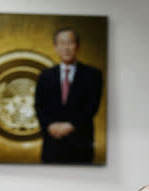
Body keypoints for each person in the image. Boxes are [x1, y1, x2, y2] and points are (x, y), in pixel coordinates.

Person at [35, 27, 102, 163]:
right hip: (52, 145)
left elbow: (92, 107)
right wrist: (50, 126)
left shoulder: (93, 75)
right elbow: (39, 106)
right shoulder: (45, 76)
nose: (66, 47)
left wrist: (71, 125)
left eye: (70, 42)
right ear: (56, 47)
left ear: (77, 46)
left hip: (81, 144)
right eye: (62, 43)